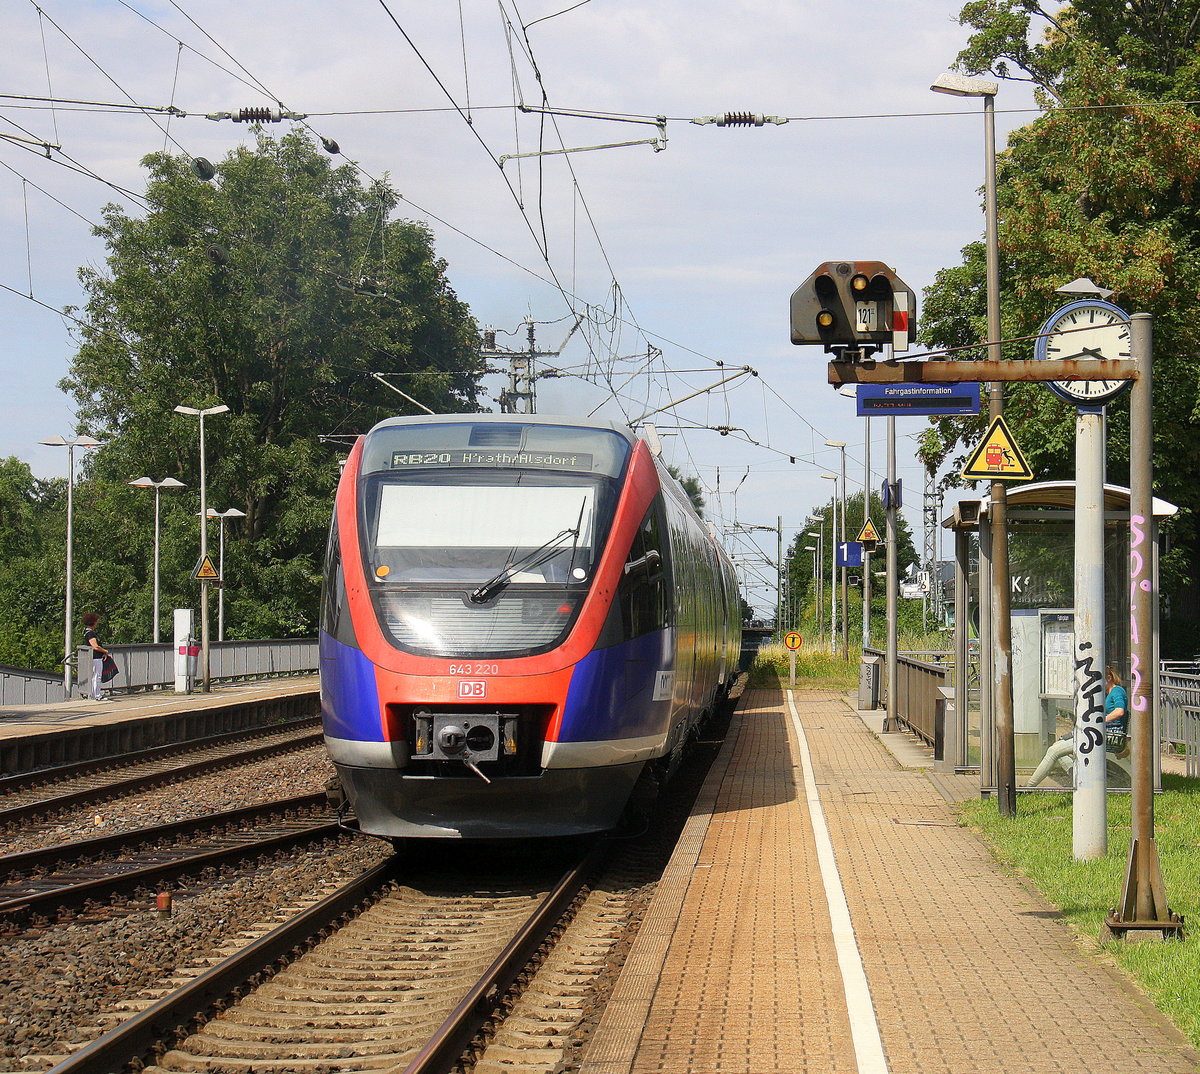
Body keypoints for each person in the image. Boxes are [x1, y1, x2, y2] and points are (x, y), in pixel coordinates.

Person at [1026, 667, 1128, 787]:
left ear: (1109, 678)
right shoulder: (1107, 694)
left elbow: (1120, 711)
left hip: (1105, 735)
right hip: (1097, 733)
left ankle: (1029, 787)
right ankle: (1077, 778)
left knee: (1053, 752)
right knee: (1056, 747)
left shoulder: (1117, 691)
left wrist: (1099, 722)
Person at [82, 612, 111, 702]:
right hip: (95, 658)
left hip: (95, 657)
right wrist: (105, 651)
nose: (97, 623)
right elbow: (95, 646)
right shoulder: (90, 634)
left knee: (95, 676)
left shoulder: (88, 632)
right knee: (97, 676)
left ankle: (95, 693)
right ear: (93, 622)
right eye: (96, 621)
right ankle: (97, 695)